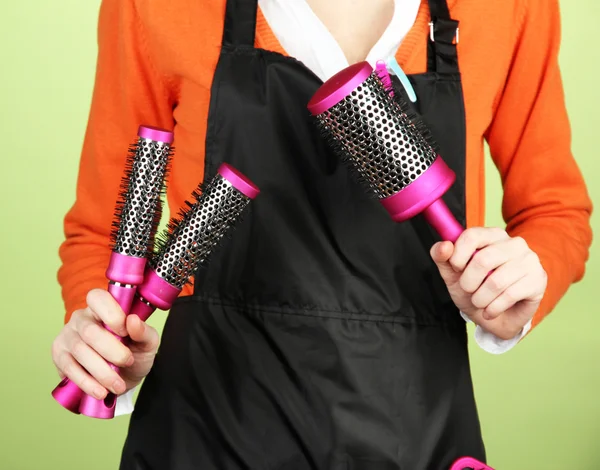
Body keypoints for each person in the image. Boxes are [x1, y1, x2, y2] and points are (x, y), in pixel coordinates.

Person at [51, 0, 593, 468]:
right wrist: (106, 344)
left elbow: (555, 212)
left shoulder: (507, 9)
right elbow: (103, 230)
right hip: (206, 433)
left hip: (415, 439)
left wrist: (519, 287)